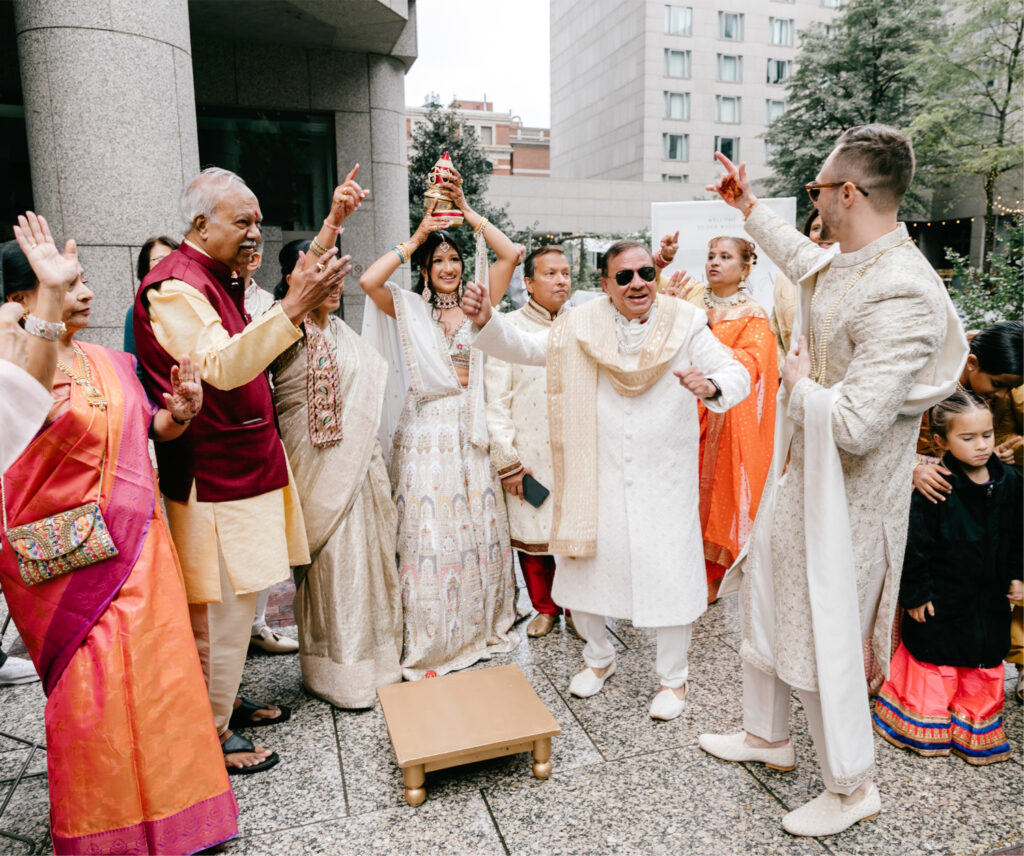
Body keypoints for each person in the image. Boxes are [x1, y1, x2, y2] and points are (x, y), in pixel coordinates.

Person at [697, 126, 967, 837]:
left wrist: (799, 382)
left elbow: (854, 425)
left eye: (817, 188)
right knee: (770, 611)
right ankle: (768, 738)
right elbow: (804, 260)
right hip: (801, 482)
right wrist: (747, 206)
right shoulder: (850, 259)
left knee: (822, 641)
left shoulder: (905, 290)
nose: (813, 199)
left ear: (849, 192)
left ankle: (852, 788)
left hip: (849, 505)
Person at [1, 218, 238, 853]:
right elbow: (24, 421)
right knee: (97, 697)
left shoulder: (111, 360)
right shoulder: (16, 362)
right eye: (65, 285)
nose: (84, 293)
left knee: (162, 683)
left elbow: (148, 430)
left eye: (81, 282)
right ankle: (108, 834)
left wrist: (179, 414)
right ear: (23, 298)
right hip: (73, 563)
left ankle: (185, 818)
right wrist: (46, 307)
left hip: (140, 548)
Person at [461, 240, 750, 721]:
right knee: (588, 568)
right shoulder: (582, 322)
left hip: (663, 475)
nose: (637, 282)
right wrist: (487, 321)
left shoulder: (684, 320)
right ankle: (598, 658)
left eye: (644, 273)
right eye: (624, 276)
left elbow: (733, 369)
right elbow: (531, 350)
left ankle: (672, 680)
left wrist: (713, 385)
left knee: (667, 575)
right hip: (598, 470)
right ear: (605, 284)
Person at [132, 165, 354, 772]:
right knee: (220, 608)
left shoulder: (216, 276)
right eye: (243, 221)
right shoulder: (174, 286)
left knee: (238, 603)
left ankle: (221, 702)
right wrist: (292, 307)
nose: (256, 233)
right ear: (200, 225)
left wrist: (326, 237)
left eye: (258, 221)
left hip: (244, 462)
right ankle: (209, 732)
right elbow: (221, 369)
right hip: (213, 474)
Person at [359, 168, 521, 679]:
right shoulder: (408, 309)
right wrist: (417, 237)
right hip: (426, 432)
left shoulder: (478, 301)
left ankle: (479, 623)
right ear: (425, 271)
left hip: (468, 429)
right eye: (439, 261)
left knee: (477, 527)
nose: (449, 267)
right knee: (429, 533)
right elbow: (369, 280)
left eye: (453, 259)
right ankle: (432, 631)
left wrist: (467, 212)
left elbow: (511, 254)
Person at [269, 238, 402, 707]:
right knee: (333, 567)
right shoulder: (278, 329)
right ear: (292, 278)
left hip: (361, 472)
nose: (332, 282)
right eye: (318, 270)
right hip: (314, 473)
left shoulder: (346, 333)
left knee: (372, 561)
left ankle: (382, 666)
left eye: (336, 272)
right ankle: (335, 675)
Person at [873, 391, 1020, 764]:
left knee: (983, 658)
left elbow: (1020, 534)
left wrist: (1019, 576)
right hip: (942, 596)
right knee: (935, 655)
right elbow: (915, 545)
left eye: (986, 435)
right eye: (967, 438)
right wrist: (916, 594)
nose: (981, 446)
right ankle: (927, 724)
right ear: (941, 441)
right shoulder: (936, 485)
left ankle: (974, 724)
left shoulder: (1012, 483)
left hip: (988, 599)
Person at [667, 237, 778, 602]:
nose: (714, 262)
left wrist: (710, 348)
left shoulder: (754, 314)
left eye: (726, 257)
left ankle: (709, 580)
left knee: (715, 495)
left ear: (745, 269)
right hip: (680, 409)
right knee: (676, 491)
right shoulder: (691, 299)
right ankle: (674, 569)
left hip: (722, 417)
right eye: (711, 255)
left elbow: (753, 364)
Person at [484, 245, 577, 638]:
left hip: (577, 452)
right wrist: (508, 460)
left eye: (566, 273)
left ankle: (578, 609)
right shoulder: (508, 327)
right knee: (534, 536)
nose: (561, 280)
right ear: (528, 283)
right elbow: (495, 398)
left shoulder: (585, 323)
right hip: (529, 453)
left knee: (577, 536)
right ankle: (545, 608)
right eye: (550, 273)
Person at [237, 239, 301, 656]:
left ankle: (259, 624)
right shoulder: (201, 302)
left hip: (265, 424)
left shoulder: (269, 303)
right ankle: (228, 634)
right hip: (218, 429)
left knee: (265, 531)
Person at [770, 209, 835, 366]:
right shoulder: (786, 278)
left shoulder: (854, 275)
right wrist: (783, 371)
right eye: (815, 228)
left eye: (830, 227)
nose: (822, 235)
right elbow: (775, 329)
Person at [124, 236, 179, 358]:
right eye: (160, 259)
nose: (168, 264)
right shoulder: (136, 312)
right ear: (146, 268)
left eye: (173, 258)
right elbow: (133, 363)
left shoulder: (194, 302)